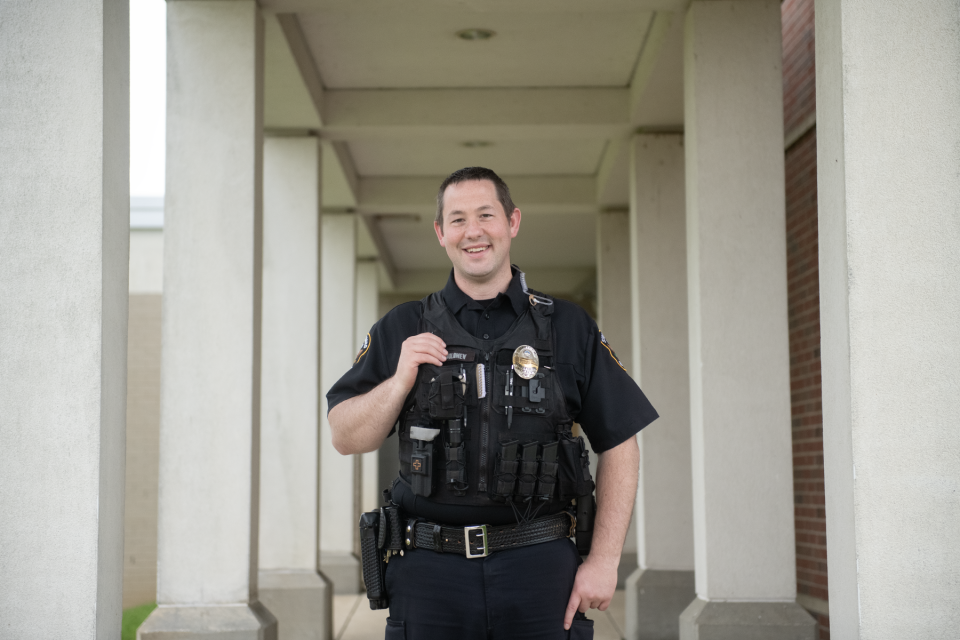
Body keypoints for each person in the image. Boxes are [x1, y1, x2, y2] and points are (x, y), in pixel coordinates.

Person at [327, 167, 658, 639]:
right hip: (429, 572)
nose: (473, 231)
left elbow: (621, 441)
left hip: (540, 570)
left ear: (513, 222)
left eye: (486, 215)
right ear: (441, 233)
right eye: (457, 219)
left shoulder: (568, 328)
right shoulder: (403, 326)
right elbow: (344, 435)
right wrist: (398, 382)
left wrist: (604, 561)